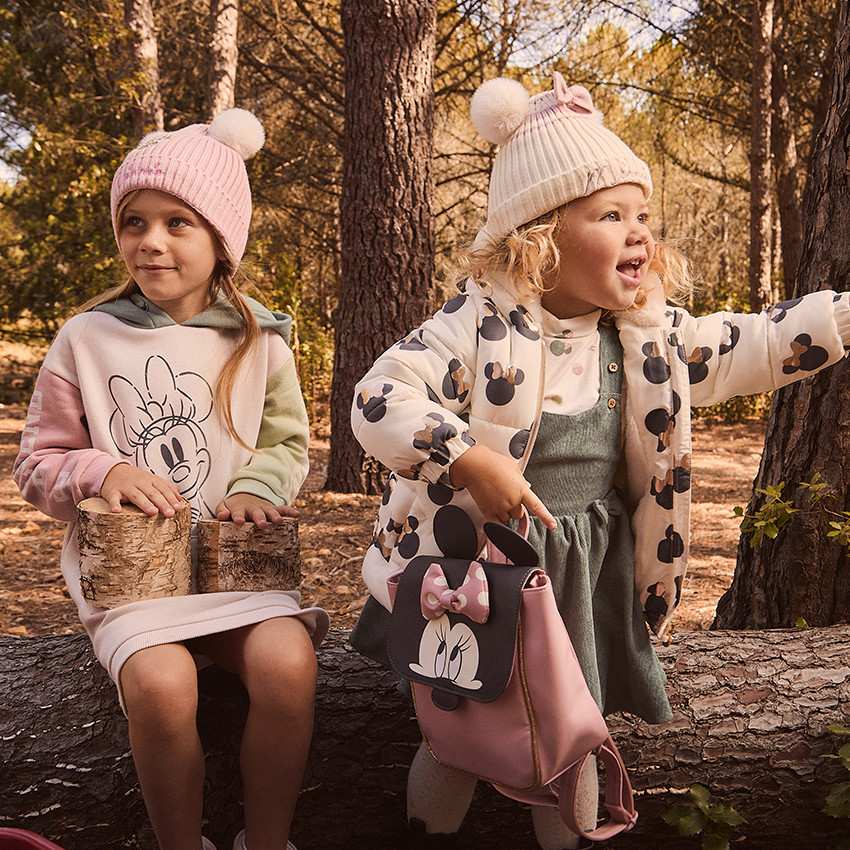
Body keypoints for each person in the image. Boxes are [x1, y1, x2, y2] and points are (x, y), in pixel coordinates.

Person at [348, 72, 850, 850]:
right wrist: (463, 453)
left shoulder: (648, 335)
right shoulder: (472, 328)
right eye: (610, 215)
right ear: (537, 238)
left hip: (585, 574)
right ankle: (427, 833)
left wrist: (839, 319)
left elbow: (749, 343)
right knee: (459, 732)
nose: (640, 232)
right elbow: (379, 395)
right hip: (484, 570)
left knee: (570, 734)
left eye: (642, 214)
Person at [13, 109, 329, 850]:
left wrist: (258, 487)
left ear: (222, 239)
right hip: (135, 582)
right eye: (134, 221)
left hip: (233, 573)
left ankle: (268, 838)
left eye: (177, 222)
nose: (149, 240)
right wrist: (103, 467)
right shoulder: (86, 338)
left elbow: (287, 443)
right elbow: (36, 464)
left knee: (289, 664)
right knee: (162, 686)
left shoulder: (259, 342)